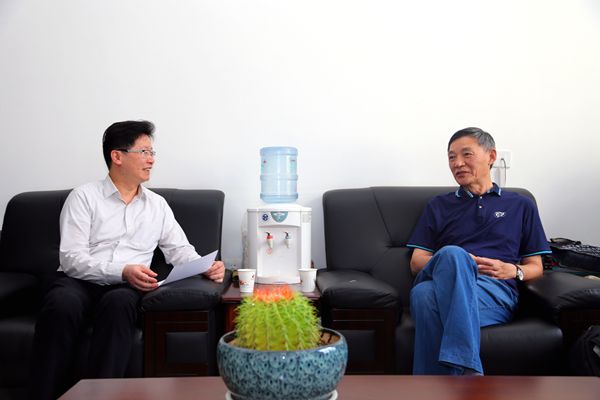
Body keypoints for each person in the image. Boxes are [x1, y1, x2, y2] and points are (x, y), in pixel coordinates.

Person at [30, 120, 225, 399]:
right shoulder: (83, 197)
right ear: (117, 156)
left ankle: (101, 396)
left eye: (152, 153)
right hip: (78, 281)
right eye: (144, 152)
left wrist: (206, 266)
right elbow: (72, 258)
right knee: (62, 303)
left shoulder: (157, 205)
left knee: (119, 304)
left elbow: (179, 250)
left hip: (126, 288)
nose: (151, 160)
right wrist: (122, 270)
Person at [406, 127, 551, 375]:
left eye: (466, 154)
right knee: (453, 255)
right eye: (451, 157)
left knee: (423, 296)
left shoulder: (521, 205)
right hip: (443, 278)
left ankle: (430, 389)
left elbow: (536, 268)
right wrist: (459, 262)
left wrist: (513, 270)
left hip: (493, 293)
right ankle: (469, 370)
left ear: (491, 156)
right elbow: (416, 262)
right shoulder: (438, 205)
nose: (457, 163)